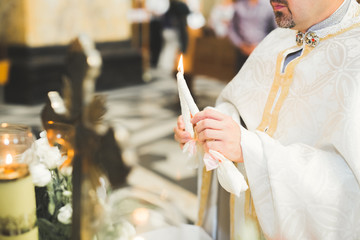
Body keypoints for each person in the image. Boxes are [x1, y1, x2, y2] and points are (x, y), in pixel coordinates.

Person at [174, 0, 360, 239]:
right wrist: (208, 127)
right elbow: (240, 109)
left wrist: (249, 149)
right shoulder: (276, 39)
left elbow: (347, 192)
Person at [227, 0, 277, 70]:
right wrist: (241, 45)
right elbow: (232, 28)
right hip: (242, 51)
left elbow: (276, 30)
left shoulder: (269, 6)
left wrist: (261, 46)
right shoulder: (239, 6)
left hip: (263, 52)